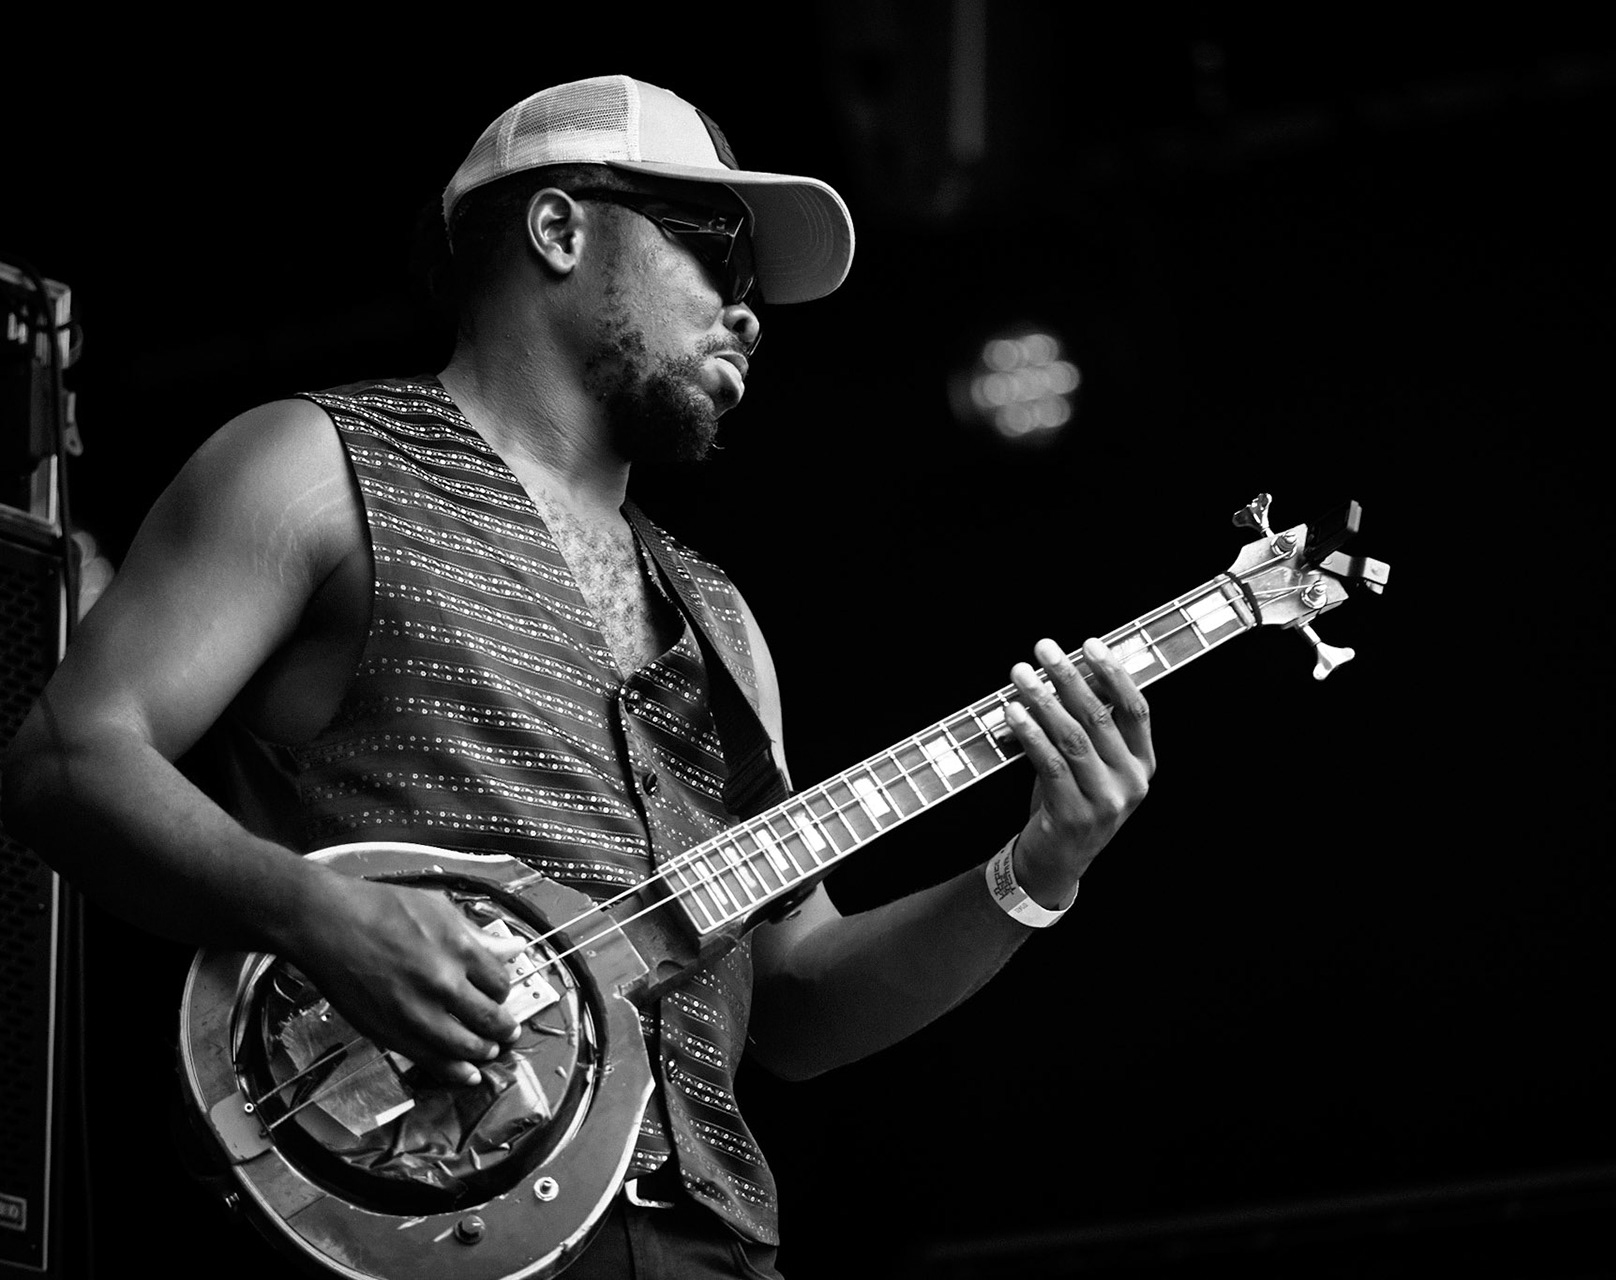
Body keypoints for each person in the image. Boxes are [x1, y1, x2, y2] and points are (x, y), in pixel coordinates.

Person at [0, 75, 1154, 1278]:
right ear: (560, 228)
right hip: (412, 1222)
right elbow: (69, 757)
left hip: (707, 1246)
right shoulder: (314, 465)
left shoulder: (722, 619)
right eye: (715, 253)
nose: (747, 311)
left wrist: (1036, 870)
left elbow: (798, 999)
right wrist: (318, 912)